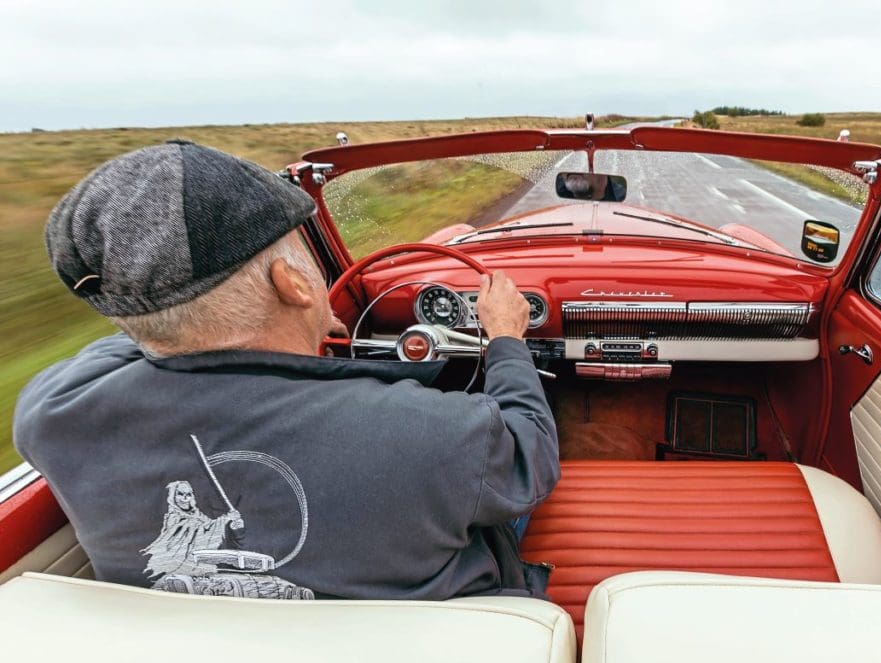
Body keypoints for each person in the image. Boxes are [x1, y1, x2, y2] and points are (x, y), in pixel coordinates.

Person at [13, 140, 560, 600]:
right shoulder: (431, 434)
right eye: (304, 253)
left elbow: (147, 343)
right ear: (294, 283)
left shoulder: (53, 412)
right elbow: (530, 457)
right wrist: (507, 339)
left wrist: (299, 331)